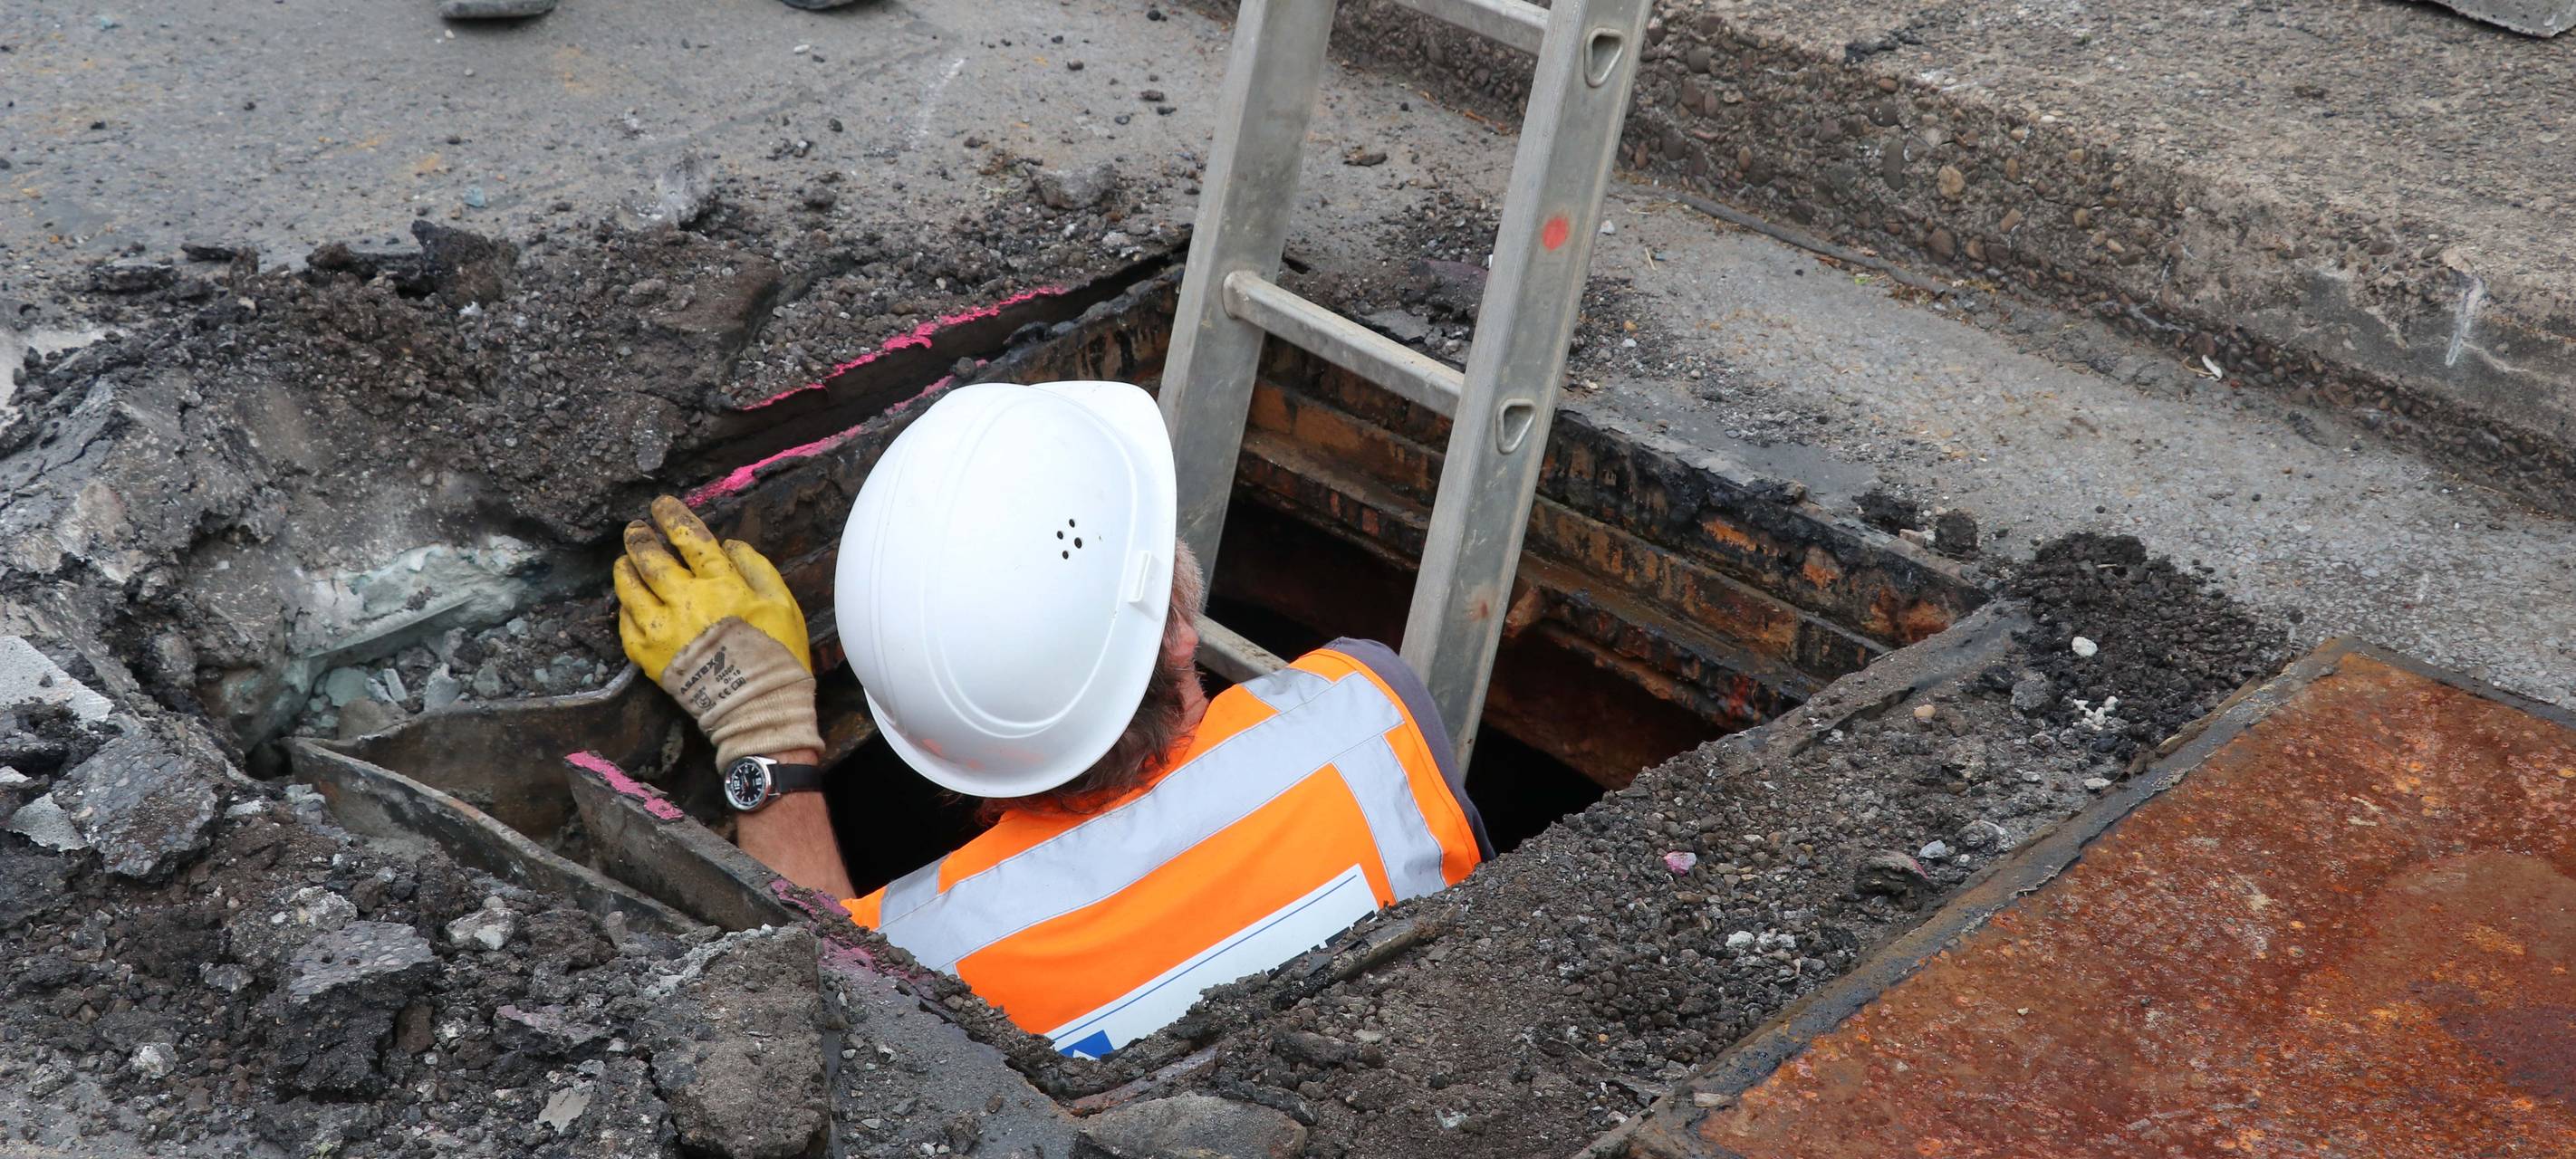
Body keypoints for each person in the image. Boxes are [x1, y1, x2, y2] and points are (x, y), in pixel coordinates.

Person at [614, 379, 1489, 1058]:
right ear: (1179, 633)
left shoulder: (921, 958)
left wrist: (763, 728)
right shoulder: (1369, 716)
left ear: (923, 751)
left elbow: (821, 992)